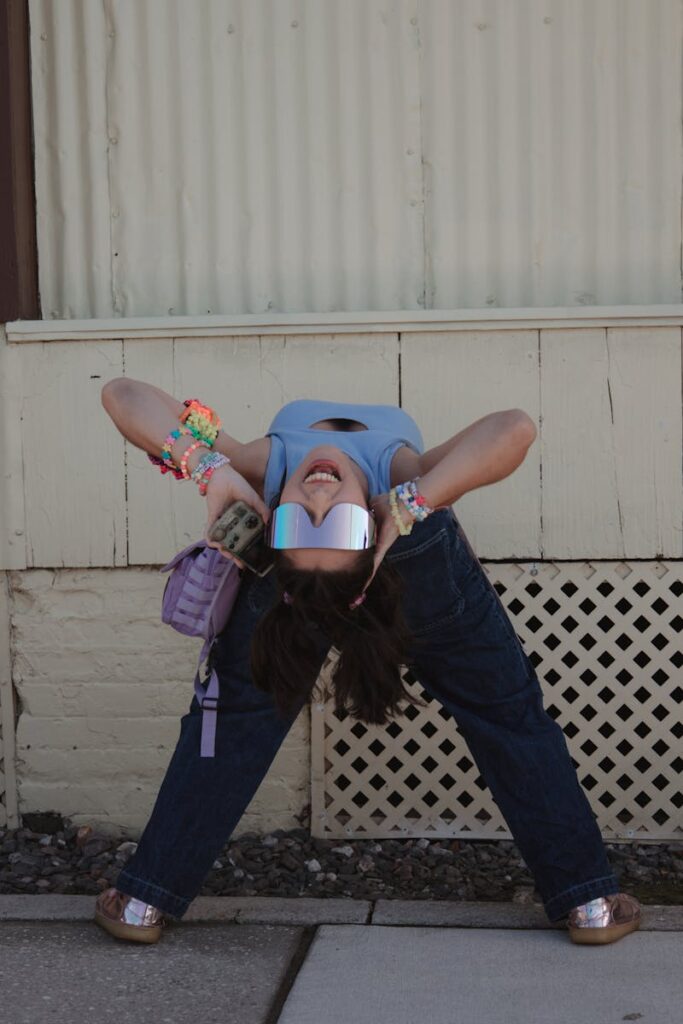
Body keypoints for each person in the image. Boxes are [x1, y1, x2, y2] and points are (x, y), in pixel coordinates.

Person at [94, 378, 640, 946]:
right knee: (508, 717)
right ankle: (591, 906)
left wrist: (214, 469)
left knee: (233, 721)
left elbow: (124, 395)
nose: (319, 499)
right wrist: (407, 502)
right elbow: (119, 393)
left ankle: (142, 903)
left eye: (304, 517)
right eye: (323, 520)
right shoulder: (398, 472)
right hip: (374, 555)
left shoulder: (268, 466)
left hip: (341, 557)